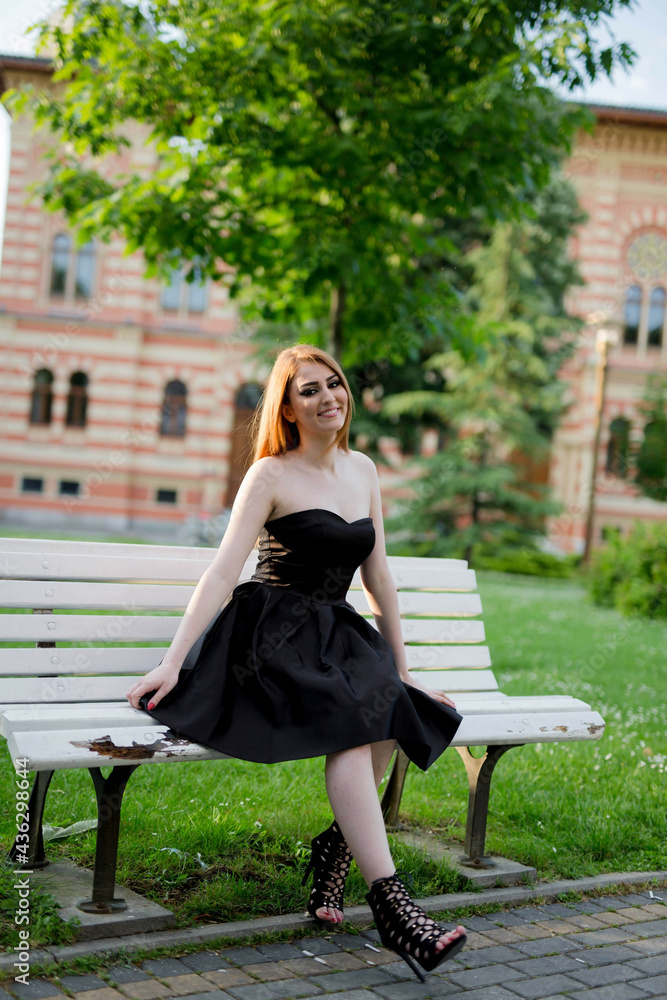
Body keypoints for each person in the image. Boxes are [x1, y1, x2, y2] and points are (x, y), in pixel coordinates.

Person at [126, 344, 466, 980]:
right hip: (271, 635)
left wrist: (403, 667)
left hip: (336, 630)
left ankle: (338, 846)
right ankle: (394, 909)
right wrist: (174, 662)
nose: (328, 397)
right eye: (309, 390)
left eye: (333, 383)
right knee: (353, 721)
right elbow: (224, 568)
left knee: (392, 705)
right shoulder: (270, 476)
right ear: (287, 406)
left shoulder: (363, 469)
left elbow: (379, 575)